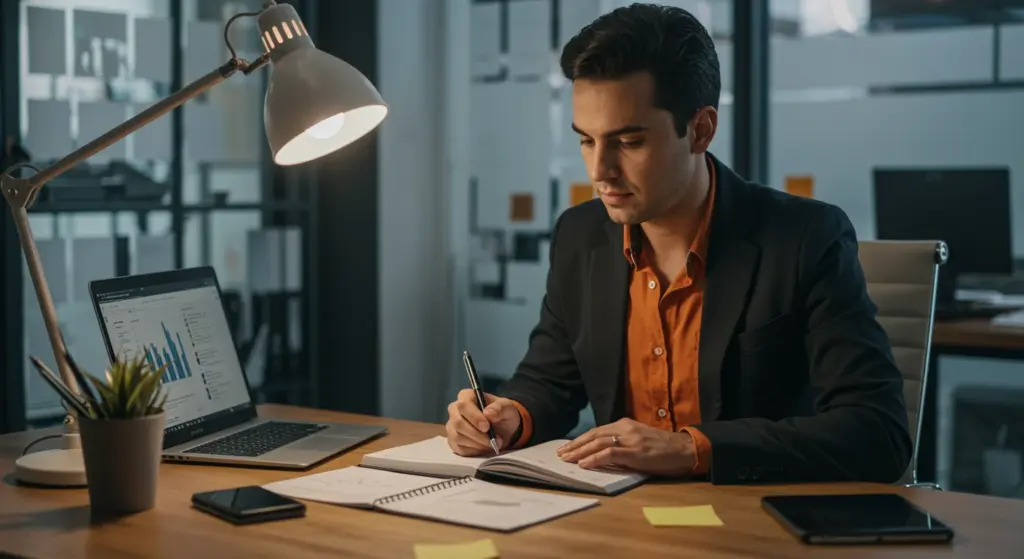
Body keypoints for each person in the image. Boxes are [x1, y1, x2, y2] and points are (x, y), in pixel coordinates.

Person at [445, 3, 911, 484]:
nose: (599, 170)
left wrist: (691, 449)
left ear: (701, 130)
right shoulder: (580, 235)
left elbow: (878, 432)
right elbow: (550, 381)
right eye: (586, 140)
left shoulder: (805, 239)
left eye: (628, 142)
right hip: (619, 519)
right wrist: (510, 416)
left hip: (757, 524)